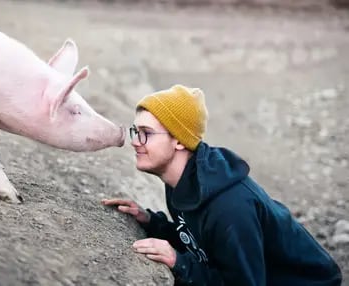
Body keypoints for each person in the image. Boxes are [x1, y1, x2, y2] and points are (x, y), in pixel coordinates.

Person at [102, 84, 342, 286]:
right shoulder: (182, 181)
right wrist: (151, 222)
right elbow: (199, 240)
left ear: (179, 140)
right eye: (136, 130)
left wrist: (180, 263)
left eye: (146, 132)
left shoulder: (230, 208)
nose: (135, 142)